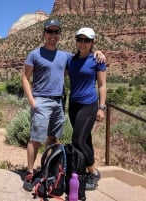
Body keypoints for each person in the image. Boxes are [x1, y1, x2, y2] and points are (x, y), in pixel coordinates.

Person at [22, 19, 105, 191]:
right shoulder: (36, 54)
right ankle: (30, 172)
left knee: (55, 138)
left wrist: (99, 52)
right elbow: (25, 77)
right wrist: (32, 100)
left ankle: (50, 170)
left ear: (59, 35)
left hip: (61, 101)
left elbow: (88, 61)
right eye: (49, 32)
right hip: (44, 101)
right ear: (44, 33)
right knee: (36, 138)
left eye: (56, 32)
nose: (53, 35)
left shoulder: (66, 56)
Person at [65, 27, 107, 191]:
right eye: (79, 39)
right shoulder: (71, 60)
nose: (82, 43)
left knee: (77, 140)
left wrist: (101, 108)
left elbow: (102, 86)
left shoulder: (97, 60)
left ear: (92, 43)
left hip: (89, 105)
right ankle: (81, 170)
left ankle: (93, 173)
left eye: (86, 40)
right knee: (85, 140)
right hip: (73, 105)